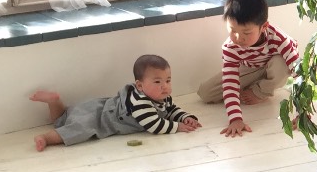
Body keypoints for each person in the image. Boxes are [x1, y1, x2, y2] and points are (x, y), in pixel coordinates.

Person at [30, 54, 200, 151]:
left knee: (62, 118)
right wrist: (177, 127)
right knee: (75, 129)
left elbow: (170, 109)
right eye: (157, 82)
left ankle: (54, 102)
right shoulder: (141, 103)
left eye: (168, 80)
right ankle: (46, 138)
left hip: (98, 106)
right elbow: (154, 125)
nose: (165, 86)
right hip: (99, 119)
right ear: (140, 85)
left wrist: (185, 117)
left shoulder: (161, 96)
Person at [197, 0, 300, 138]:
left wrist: (303, 112)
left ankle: (262, 90)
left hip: (278, 64)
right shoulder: (231, 47)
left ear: (263, 27)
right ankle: (258, 83)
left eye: (246, 33)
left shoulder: (280, 39)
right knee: (205, 93)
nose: (239, 38)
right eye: (232, 30)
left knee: (280, 65)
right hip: (251, 67)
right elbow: (230, 83)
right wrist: (235, 119)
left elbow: (299, 73)